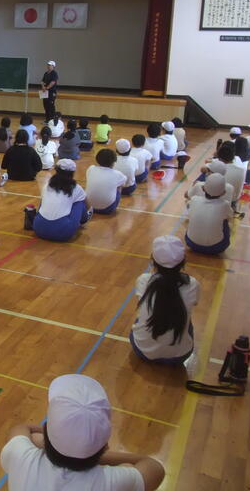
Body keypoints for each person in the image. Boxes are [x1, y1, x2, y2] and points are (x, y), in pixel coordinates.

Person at [0, 374, 165, 491]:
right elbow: (154, 467)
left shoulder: (20, 456)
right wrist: (95, 455)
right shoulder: (112, 482)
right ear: (105, 446)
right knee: (128, 467)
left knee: (34, 439)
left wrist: (43, 440)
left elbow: (21, 428)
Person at [130, 236, 200, 365]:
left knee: (142, 316)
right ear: (183, 261)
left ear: (153, 260)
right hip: (179, 357)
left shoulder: (143, 280)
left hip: (143, 352)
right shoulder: (192, 284)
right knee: (185, 317)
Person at [33, 159, 92, 242]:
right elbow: (88, 205)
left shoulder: (47, 185)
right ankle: (83, 220)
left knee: (44, 199)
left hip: (38, 228)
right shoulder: (76, 188)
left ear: (57, 171)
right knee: (80, 202)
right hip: (63, 232)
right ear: (72, 173)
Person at [185, 173, 233, 254]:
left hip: (191, 243)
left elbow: (188, 206)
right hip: (216, 248)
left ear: (203, 188)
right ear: (224, 192)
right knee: (225, 220)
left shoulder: (194, 199)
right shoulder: (225, 205)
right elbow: (231, 217)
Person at [86, 149, 127, 214]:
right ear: (113, 162)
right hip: (108, 209)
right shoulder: (117, 174)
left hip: (88, 206)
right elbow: (123, 185)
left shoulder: (91, 168)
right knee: (119, 187)